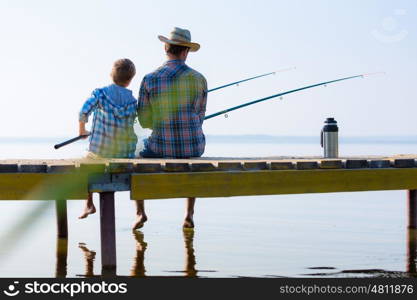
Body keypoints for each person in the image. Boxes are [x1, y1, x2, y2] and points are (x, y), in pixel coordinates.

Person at [135, 27, 207, 230]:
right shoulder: (199, 79)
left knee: (137, 154)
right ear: (185, 51)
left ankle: (140, 213)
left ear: (166, 48)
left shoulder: (150, 79)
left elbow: (145, 121)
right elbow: (200, 117)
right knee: (191, 161)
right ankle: (189, 214)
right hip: (193, 147)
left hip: (160, 147)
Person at [78, 58, 138, 219]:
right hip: (125, 154)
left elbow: (84, 112)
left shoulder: (101, 94)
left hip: (100, 152)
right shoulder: (133, 101)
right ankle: (140, 211)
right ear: (130, 80)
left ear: (111, 74)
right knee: (138, 172)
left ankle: (89, 204)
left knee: (84, 166)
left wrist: (82, 130)